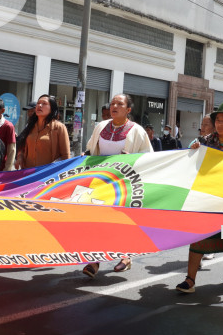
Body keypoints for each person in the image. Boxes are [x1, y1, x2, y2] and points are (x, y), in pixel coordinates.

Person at [175, 102, 223, 293]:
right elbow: (193, 161)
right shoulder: (205, 141)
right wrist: (193, 150)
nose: (219, 123)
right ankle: (190, 279)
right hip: (207, 199)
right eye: (217, 120)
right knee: (198, 236)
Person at [82, 94, 153, 277]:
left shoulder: (137, 131)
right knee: (98, 220)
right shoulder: (100, 127)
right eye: (113, 103)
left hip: (125, 183)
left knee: (121, 221)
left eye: (119, 104)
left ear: (128, 110)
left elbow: (148, 158)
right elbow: (91, 149)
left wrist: (132, 158)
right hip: (101, 182)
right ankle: (94, 259)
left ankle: (125, 256)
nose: (114, 106)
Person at [15, 94, 71, 169]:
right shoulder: (30, 126)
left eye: (44, 103)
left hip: (48, 176)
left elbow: (66, 156)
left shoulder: (59, 128)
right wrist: (20, 157)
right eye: (38, 103)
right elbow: (22, 147)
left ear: (52, 108)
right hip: (28, 174)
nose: (39, 105)